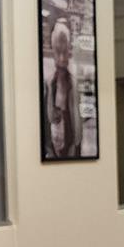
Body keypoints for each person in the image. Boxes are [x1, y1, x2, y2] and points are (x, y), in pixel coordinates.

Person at [44, 19, 82, 158]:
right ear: (53, 52)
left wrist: (75, 147)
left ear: (69, 51)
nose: (61, 58)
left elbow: (77, 128)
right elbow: (46, 123)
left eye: (64, 52)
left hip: (72, 151)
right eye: (58, 52)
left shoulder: (73, 83)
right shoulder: (49, 83)